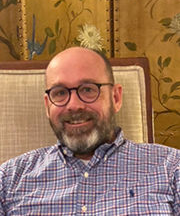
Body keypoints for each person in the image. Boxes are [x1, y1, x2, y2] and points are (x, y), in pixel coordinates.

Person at [0, 47, 179, 215]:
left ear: (115, 98)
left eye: (87, 90)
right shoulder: (9, 179)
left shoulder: (171, 169)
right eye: (60, 93)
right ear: (48, 106)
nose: (74, 105)